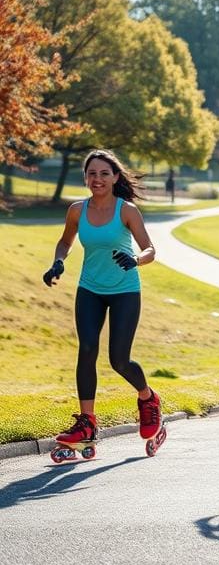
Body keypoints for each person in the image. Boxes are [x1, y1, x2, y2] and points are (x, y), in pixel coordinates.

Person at [42, 149, 163, 460]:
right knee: (86, 349)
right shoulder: (76, 210)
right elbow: (65, 241)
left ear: (115, 178)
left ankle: (148, 398)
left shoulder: (127, 210)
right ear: (86, 178)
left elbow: (150, 248)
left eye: (104, 174)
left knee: (119, 360)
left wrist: (136, 260)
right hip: (90, 289)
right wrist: (58, 262)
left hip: (124, 290)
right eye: (92, 174)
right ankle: (87, 424)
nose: (97, 179)